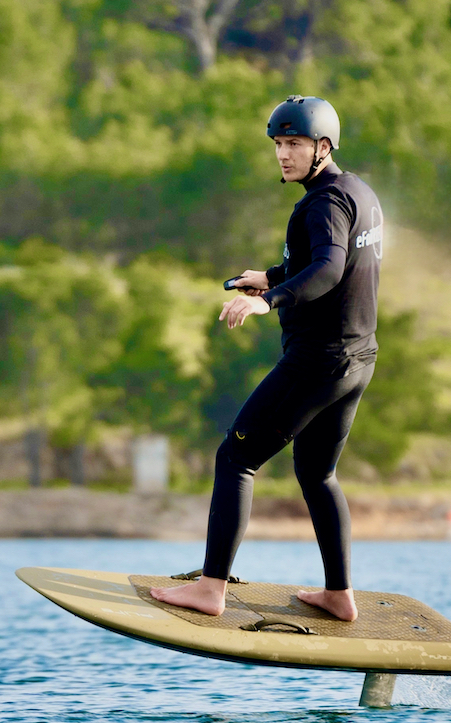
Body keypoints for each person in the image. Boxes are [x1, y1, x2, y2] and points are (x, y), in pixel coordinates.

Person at [151, 95, 382, 622]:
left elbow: (326, 269)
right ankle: (339, 595)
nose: (283, 154)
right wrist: (272, 276)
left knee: (235, 459)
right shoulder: (358, 193)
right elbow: (337, 263)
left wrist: (266, 301)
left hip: (318, 360)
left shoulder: (321, 205)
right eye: (279, 144)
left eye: (295, 144)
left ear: (323, 147)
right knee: (317, 472)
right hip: (357, 358)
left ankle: (210, 589)